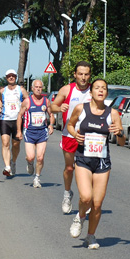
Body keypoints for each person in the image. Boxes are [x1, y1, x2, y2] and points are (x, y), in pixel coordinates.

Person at [65, 78, 124, 249]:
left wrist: (119, 133)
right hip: (83, 158)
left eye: (104, 88)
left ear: (106, 93)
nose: (100, 90)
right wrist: (75, 135)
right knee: (86, 197)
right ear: (90, 92)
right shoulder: (80, 109)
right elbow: (70, 125)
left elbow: (121, 141)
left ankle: (90, 236)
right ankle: (80, 216)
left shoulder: (112, 114)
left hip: (102, 162)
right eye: (97, 88)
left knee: (97, 203)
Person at [50, 61, 92, 214]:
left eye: (86, 74)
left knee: (87, 169)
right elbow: (52, 106)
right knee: (69, 168)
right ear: (75, 74)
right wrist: (59, 108)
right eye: (80, 74)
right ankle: (67, 194)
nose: (83, 77)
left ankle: (85, 198)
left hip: (89, 136)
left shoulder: (93, 90)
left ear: (90, 75)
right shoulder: (67, 89)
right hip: (70, 135)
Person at [17, 79, 54, 188]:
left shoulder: (46, 101)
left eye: (40, 87)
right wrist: (19, 131)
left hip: (42, 132)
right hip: (29, 132)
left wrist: (51, 125)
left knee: (40, 157)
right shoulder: (27, 101)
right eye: (36, 87)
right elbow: (20, 115)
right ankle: (29, 162)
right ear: (32, 89)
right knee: (31, 157)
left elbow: (51, 114)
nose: (38, 89)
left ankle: (37, 178)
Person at [0, 69, 28, 177]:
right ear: (6, 78)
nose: (11, 77)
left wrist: (25, 109)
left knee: (16, 144)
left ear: (15, 77)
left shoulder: (21, 90)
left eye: (13, 76)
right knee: (5, 143)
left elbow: (28, 101)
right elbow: (0, 100)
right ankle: (7, 166)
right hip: (5, 119)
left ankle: (13, 161)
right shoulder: (2, 90)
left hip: (17, 120)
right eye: (9, 76)